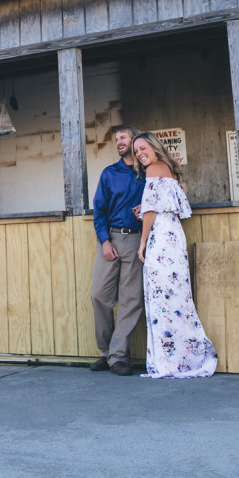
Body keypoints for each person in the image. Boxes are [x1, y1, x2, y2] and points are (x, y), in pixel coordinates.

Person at [134, 132, 218, 379]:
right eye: (136, 151)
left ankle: (170, 363)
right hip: (173, 235)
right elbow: (163, 206)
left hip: (161, 239)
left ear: (154, 146)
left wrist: (142, 243)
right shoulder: (167, 168)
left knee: (162, 300)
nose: (139, 154)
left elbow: (150, 210)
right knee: (176, 299)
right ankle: (185, 358)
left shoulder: (153, 170)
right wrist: (148, 209)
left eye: (142, 148)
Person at [90, 125, 147, 376]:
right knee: (99, 295)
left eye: (122, 137)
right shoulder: (109, 173)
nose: (118, 142)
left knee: (131, 300)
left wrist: (145, 208)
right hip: (111, 238)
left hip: (138, 240)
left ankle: (117, 357)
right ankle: (105, 352)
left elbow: (168, 197)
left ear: (135, 140)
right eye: (116, 139)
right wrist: (104, 241)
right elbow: (99, 211)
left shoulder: (149, 172)